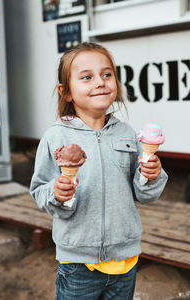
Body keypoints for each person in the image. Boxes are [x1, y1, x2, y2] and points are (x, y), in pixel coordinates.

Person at [30, 42, 168, 300]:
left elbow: (144, 194)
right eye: (86, 77)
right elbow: (39, 190)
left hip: (125, 259)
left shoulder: (127, 133)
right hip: (78, 265)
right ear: (66, 92)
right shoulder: (55, 136)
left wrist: (151, 174)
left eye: (107, 75)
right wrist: (56, 192)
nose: (100, 82)